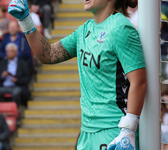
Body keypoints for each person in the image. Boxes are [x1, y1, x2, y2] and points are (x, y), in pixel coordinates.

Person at [8, 0, 146, 150]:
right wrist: (25, 20)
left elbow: (139, 82)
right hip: (86, 133)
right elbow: (48, 55)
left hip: (114, 130)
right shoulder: (84, 30)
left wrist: (128, 129)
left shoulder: (121, 28)